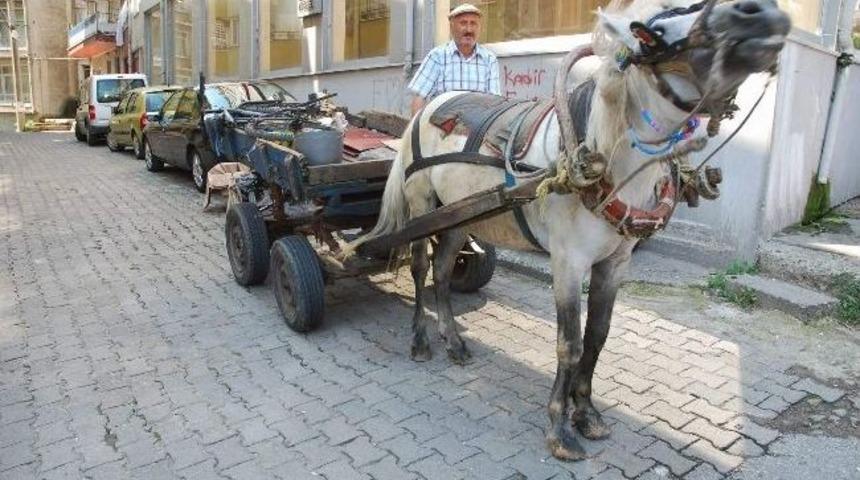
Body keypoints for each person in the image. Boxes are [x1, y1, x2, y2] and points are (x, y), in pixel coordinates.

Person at [407, 3, 501, 114]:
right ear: (452, 27)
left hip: (477, 127)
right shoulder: (438, 56)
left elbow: (495, 102)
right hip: (442, 127)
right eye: (463, 23)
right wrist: (418, 130)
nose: (469, 29)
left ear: (479, 28)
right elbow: (419, 97)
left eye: (473, 24)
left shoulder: (489, 59)